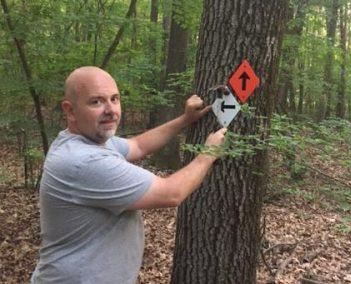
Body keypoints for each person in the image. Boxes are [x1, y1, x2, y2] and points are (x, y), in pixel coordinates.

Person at [30, 66, 227, 283]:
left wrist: (184, 120)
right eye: (96, 101)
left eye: (114, 99)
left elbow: (138, 145)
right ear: (70, 110)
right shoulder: (83, 160)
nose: (111, 110)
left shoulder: (89, 141)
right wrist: (208, 154)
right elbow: (171, 193)